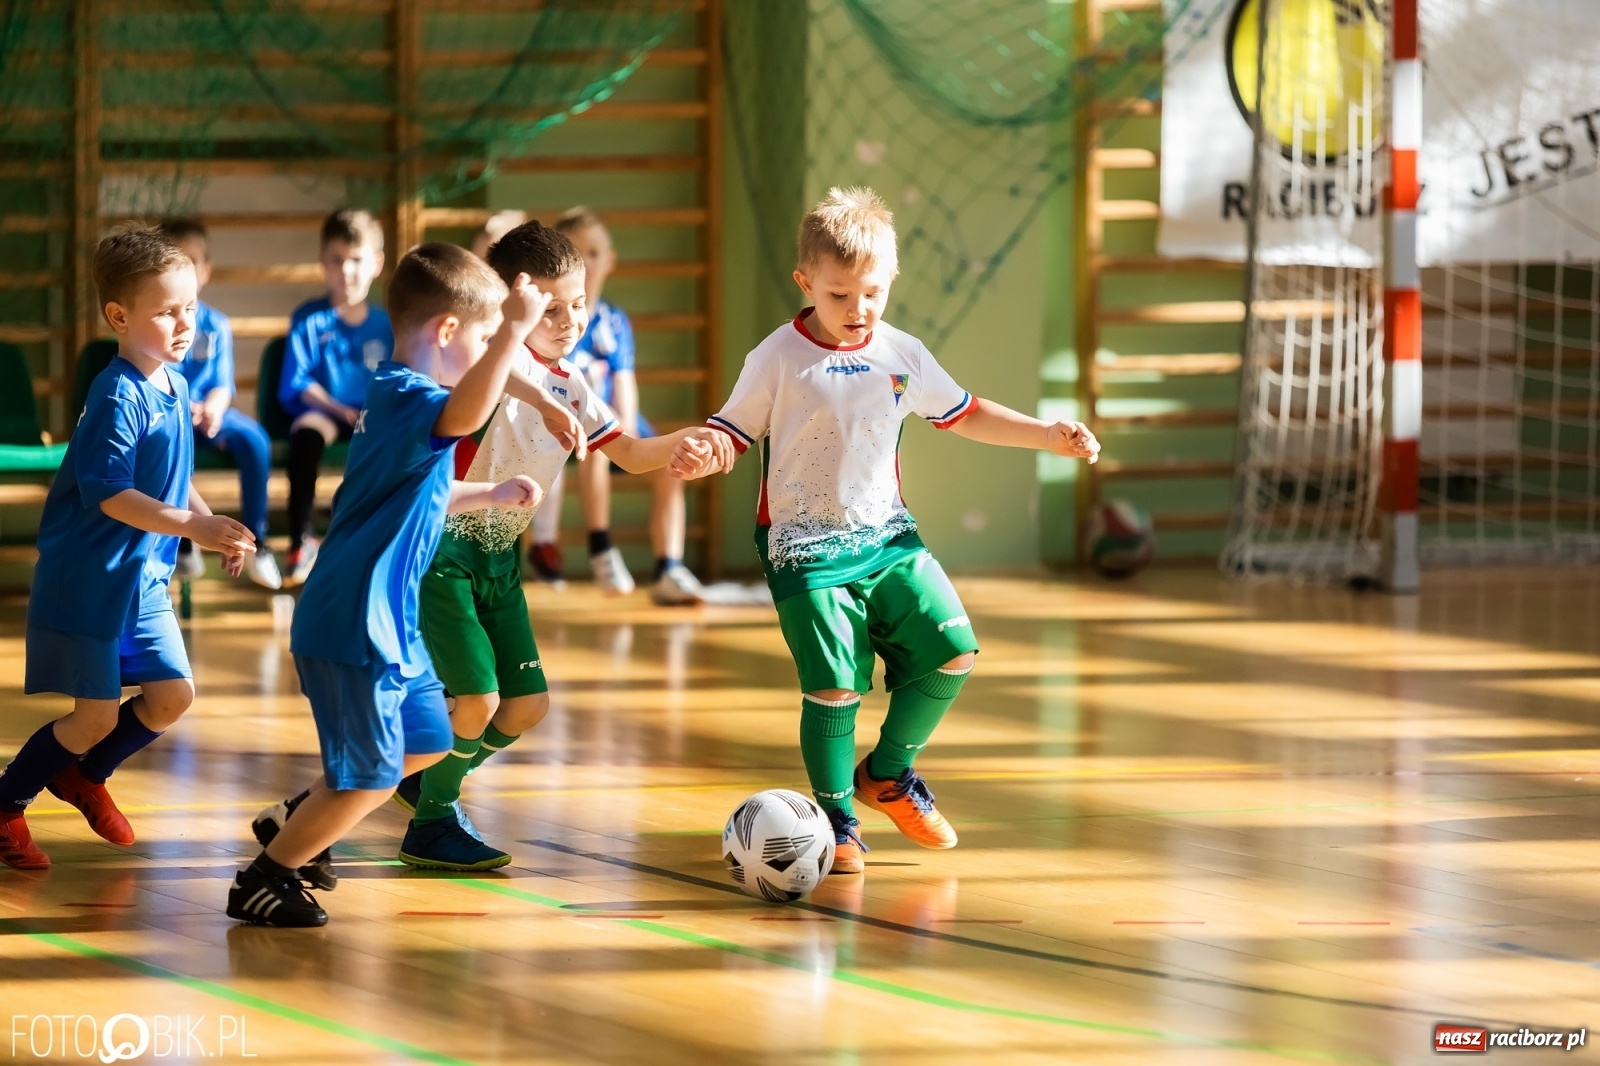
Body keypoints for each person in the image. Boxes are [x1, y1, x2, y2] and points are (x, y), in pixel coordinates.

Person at [690, 187, 1100, 875]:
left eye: (872, 294)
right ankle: (834, 819)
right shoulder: (776, 359)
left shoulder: (902, 353)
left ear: (890, 283)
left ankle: (886, 774)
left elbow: (964, 412)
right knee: (833, 689)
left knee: (954, 651)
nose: (858, 310)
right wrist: (710, 450)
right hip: (806, 552)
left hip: (889, 541)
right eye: (840, 295)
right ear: (806, 283)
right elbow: (732, 431)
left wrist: (1046, 436)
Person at [225, 243, 555, 928]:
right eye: (487, 338)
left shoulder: (399, 398)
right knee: (374, 776)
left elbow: (419, 493)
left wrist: (487, 491)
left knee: (429, 736)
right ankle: (267, 876)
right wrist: (518, 330)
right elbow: (467, 411)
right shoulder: (413, 396)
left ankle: (300, 818)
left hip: (386, 621)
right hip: (354, 619)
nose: (497, 349)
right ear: (447, 333)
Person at [392, 220, 723, 869]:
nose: (571, 318)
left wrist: (687, 440)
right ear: (517, 302)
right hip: (442, 552)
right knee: (477, 700)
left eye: (578, 304)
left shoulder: (572, 380)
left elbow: (626, 451)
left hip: (498, 557)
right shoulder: (490, 362)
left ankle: (427, 781)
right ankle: (430, 816)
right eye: (553, 305)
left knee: (525, 707)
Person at [0, 227, 256, 869]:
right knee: (91, 716)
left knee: (172, 696)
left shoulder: (174, 383)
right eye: (167, 311)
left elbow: (170, 477)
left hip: (142, 580)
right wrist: (193, 529)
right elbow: (111, 494)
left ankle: (84, 776)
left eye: (190, 308)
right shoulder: (117, 393)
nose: (184, 323)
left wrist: (209, 519)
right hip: (91, 581)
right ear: (120, 316)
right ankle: (6, 804)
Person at [525, 208, 706, 605]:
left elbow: (624, 384)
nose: (586, 262)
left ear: (610, 260)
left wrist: (629, 426)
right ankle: (601, 548)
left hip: (607, 422)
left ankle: (668, 568)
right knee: (600, 443)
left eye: (594, 252)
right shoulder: (554, 319)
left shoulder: (614, 321)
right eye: (577, 252)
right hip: (559, 426)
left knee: (669, 466)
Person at [157, 219, 282, 590]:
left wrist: (212, 408)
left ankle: (258, 540)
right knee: (167, 446)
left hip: (213, 415)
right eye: (174, 259)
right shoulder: (160, 322)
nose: (185, 268)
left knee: (256, 440)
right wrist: (186, 409)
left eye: (192, 260)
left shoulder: (216, 324)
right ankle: (180, 543)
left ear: (206, 270)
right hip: (172, 416)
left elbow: (223, 384)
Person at [279, 208, 392, 585]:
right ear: (323, 263)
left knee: (394, 445)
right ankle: (301, 541)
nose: (347, 271)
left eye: (356, 260)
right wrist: (336, 408)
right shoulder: (308, 318)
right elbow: (297, 381)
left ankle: (376, 545)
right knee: (306, 437)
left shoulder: (386, 325)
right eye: (337, 260)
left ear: (376, 263)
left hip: (371, 418)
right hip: (325, 414)